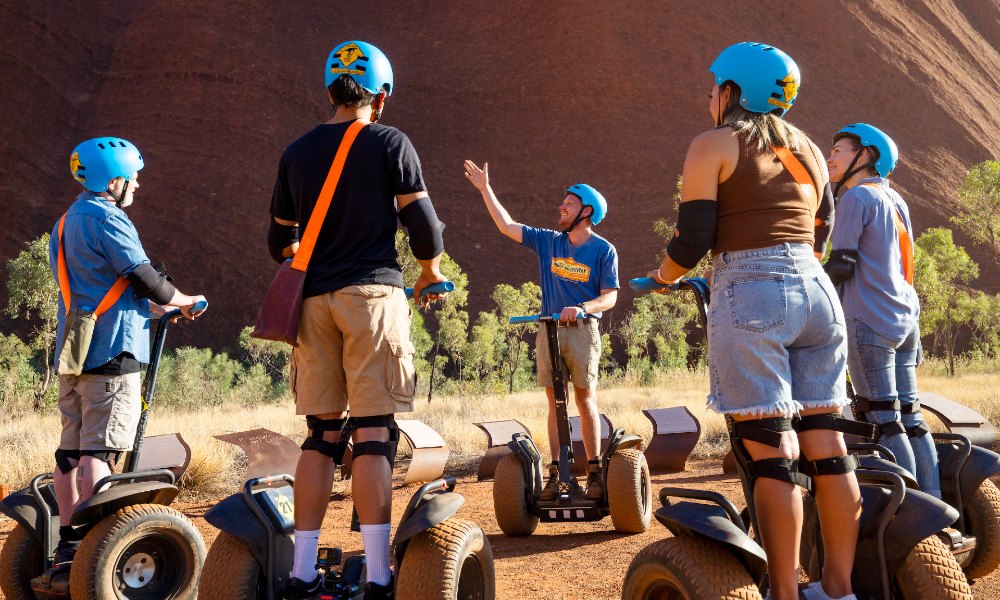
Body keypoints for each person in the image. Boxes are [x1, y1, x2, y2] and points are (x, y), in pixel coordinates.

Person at [645, 42, 859, 600]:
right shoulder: (809, 149)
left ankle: (784, 593)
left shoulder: (712, 144)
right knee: (828, 449)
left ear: (733, 91)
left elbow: (693, 239)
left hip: (751, 288)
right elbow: (822, 227)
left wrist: (664, 276)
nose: (709, 96)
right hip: (817, 293)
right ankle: (838, 589)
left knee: (771, 451)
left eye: (714, 86)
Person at [270, 40, 447, 600]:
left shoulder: (296, 152)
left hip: (313, 304)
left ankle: (300, 575)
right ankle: (376, 575)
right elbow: (425, 228)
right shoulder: (390, 142)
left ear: (330, 89)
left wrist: (309, 263)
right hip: (371, 296)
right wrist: (429, 272)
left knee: (320, 436)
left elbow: (278, 241)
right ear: (382, 95)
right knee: (372, 434)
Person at [38, 137, 206, 592]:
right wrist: (184, 300)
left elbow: (100, 286)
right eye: (132, 178)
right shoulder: (109, 218)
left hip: (75, 351)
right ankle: (98, 543)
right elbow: (141, 275)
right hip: (114, 351)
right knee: (103, 451)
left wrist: (157, 309)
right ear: (113, 180)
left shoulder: (66, 221)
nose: (136, 186)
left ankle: (69, 543)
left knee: (70, 451)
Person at [464, 161, 619, 501]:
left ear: (587, 211)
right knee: (555, 401)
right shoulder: (549, 242)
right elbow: (507, 226)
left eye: (570, 203)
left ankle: (594, 472)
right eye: (563, 202)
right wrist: (484, 189)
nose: (561, 207)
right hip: (548, 330)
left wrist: (582, 308)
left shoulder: (603, 250)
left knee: (584, 398)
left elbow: (610, 297)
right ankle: (558, 473)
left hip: (581, 330)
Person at [825, 123, 940, 498]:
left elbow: (842, 264)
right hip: (905, 319)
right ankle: (934, 507)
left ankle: (911, 516)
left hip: (870, 319)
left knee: (884, 421)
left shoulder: (856, 199)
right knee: (912, 418)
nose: (830, 157)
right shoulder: (896, 200)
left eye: (839, 150)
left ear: (867, 155)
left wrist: (806, 287)